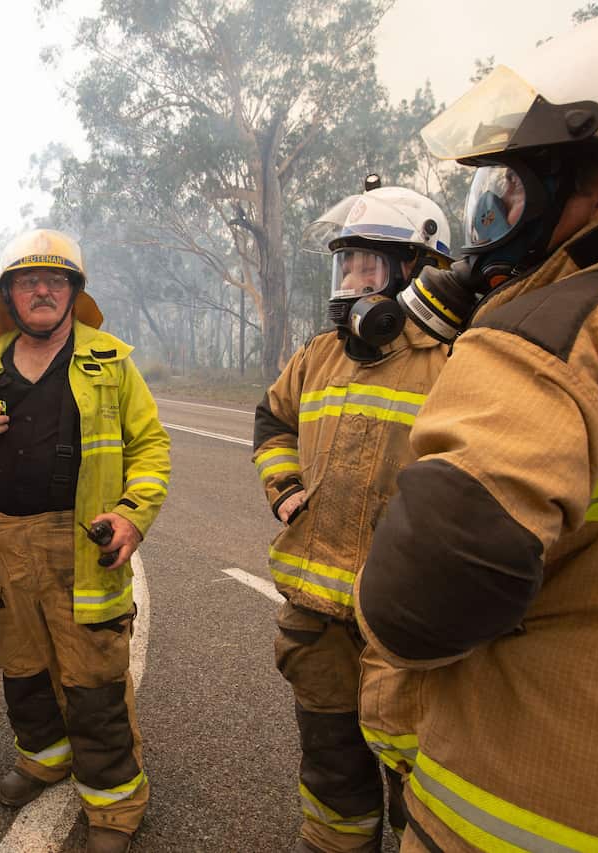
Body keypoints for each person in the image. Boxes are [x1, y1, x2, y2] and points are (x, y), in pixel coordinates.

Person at [354, 5, 598, 850]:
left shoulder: (558, 331)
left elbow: (418, 597)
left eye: (511, 193)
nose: (496, 228)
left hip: (544, 802)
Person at [0, 229, 171, 853]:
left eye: (55, 280)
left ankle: (116, 808)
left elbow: (150, 448)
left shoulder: (111, 360)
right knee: (22, 670)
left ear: (74, 292)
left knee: (93, 681)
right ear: (8, 295)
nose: (42, 290)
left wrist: (131, 514)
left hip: (80, 550)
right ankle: (44, 758)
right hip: (2, 547)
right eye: (27, 281)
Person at [252, 184, 454, 852]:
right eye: (347, 264)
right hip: (315, 616)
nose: (352, 281)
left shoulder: (456, 361)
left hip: (403, 622)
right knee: (331, 759)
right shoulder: (319, 354)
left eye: (370, 265)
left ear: (418, 272)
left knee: (417, 773)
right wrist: (283, 486)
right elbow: (272, 419)